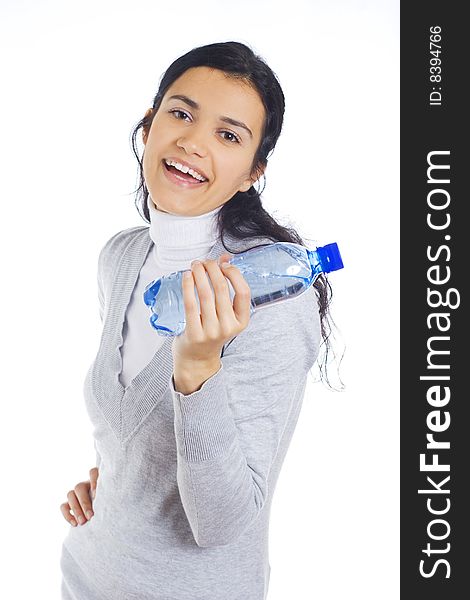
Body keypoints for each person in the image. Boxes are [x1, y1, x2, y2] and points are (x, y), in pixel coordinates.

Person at [59, 40, 340, 600]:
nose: (192, 141)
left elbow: (221, 524)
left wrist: (197, 369)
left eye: (228, 135)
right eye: (181, 113)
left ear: (252, 173)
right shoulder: (120, 258)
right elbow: (129, 427)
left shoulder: (273, 295)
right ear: (148, 125)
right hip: (86, 577)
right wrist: (111, 483)